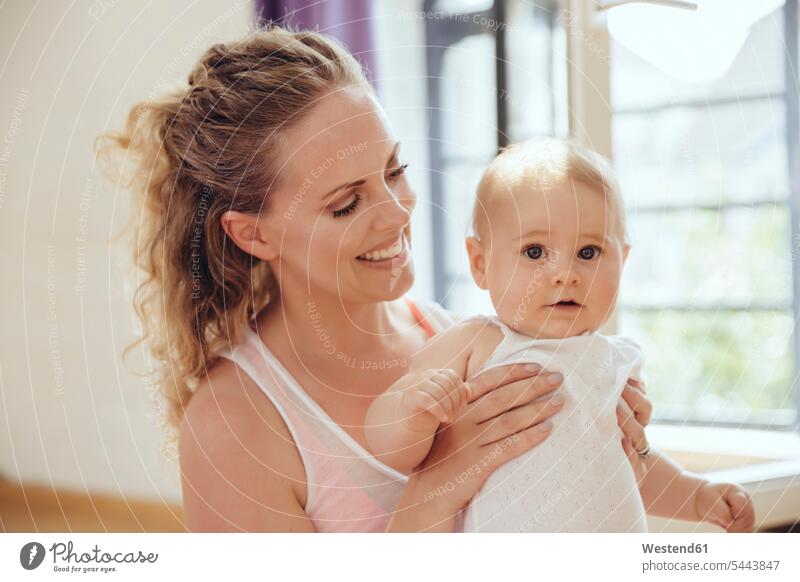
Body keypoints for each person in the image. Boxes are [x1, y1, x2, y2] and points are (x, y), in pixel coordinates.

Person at [98, 26, 652, 532]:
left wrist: (611, 442)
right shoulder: (233, 426)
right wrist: (436, 488)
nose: (397, 212)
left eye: (395, 171)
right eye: (345, 203)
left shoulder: (468, 341)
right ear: (253, 234)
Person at [365, 139, 756, 532]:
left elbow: (632, 463)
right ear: (480, 263)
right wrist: (414, 412)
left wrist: (698, 495)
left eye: (589, 252)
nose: (564, 274)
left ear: (624, 261)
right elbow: (386, 445)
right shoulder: (476, 344)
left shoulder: (615, 360)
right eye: (535, 252)